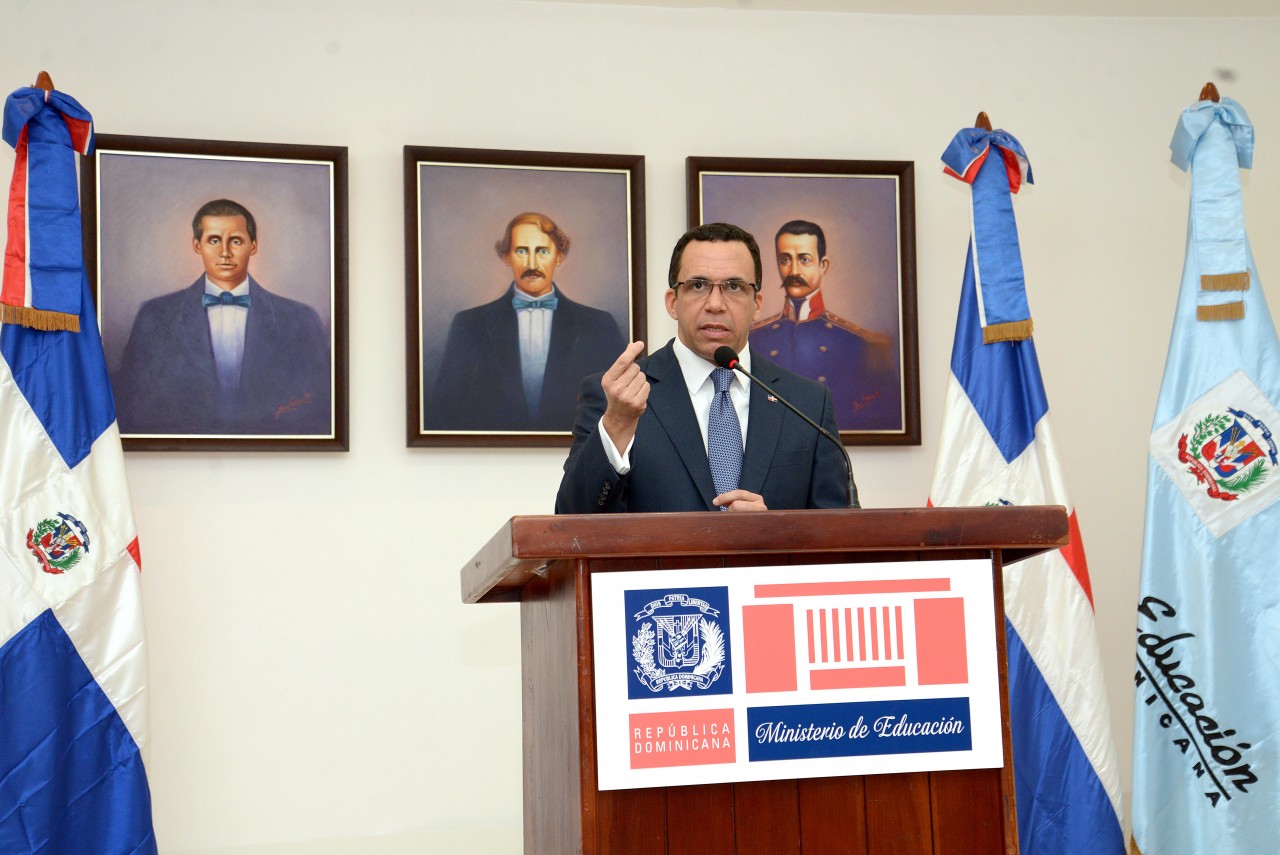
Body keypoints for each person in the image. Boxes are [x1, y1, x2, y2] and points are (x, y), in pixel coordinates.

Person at [555, 222, 852, 514]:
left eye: (734, 286)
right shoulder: (616, 397)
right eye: (698, 285)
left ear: (757, 304)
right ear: (673, 302)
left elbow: (842, 532)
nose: (715, 304)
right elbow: (572, 519)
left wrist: (775, 531)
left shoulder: (807, 403)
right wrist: (618, 424)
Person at [115, 199, 330, 436]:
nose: (225, 252)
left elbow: (318, 406)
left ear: (253, 246)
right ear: (197, 245)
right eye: (214, 240)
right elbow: (136, 404)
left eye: (236, 241)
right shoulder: (155, 316)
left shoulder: (300, 319)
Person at [427, 212, 625, 432]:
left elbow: (621, 409)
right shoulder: (469, 325)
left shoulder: (598, 325)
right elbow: (446, 410)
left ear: (559, 256)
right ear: (506, 257)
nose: (532, 263)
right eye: (521, 251)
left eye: (542, 251)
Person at [749, 219, 901, 431]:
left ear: (823, 266)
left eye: (804, 259)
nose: (794, 271)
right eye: (785, 259)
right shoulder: (753, 339)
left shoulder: (860, 344)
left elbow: (880, 415)